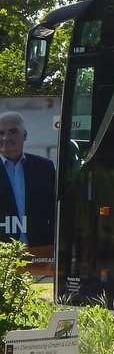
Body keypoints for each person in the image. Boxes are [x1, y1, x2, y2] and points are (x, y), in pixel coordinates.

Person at [0, 110, 56, 281]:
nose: (6, 138)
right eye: (1, 133)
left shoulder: (44, 167)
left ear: (24, 135)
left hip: (40, 254)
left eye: (12, 131)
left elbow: (53, 210)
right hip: (4, 255)